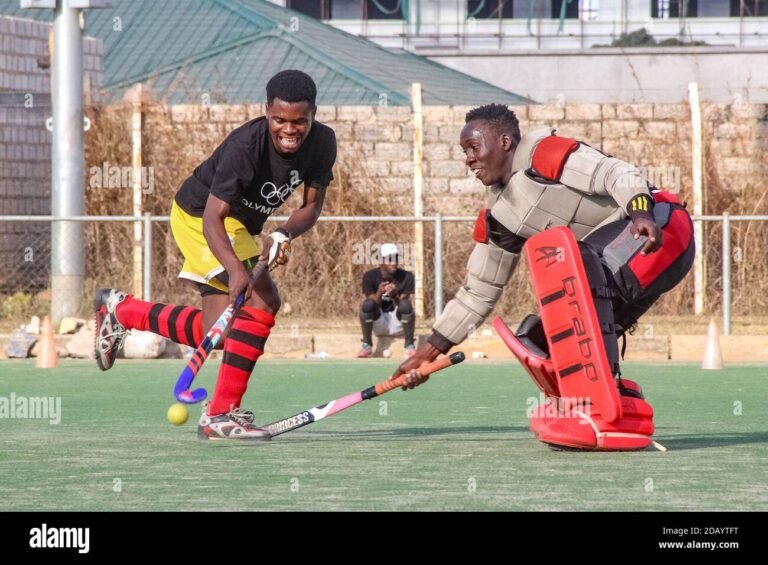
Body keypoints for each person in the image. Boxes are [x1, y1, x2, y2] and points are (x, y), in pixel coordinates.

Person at [391, 103, 694, 451]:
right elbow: (478, 292)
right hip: (619, 270)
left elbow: (617, 173)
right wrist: (427, 353)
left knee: (575, 270)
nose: (468, 159)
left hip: (661, 230)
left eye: (473, 147)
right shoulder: (499, 217)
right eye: (464, 152)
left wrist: (640, 212)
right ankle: (617, 409)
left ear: (505, 141)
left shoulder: (545, 153)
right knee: (542, 336)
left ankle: (597, 405)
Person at [94, 70, 336, 440]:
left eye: (299, 121)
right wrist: (236, 270)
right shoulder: (245, 146)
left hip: (239, 228)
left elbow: (312, 207)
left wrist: (283, 234)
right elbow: (212, 217)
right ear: (266, 112)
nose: (289, 130)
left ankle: (122, 310)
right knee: (263, 301)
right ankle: (221, 413)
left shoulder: (323, 142)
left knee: (218, 334)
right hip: (200, 217)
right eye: (280, 120)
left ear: (313, 115)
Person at [357, 243, 416, 358]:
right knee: (367, 304)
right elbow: (372, 304)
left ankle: (409, 345)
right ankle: (367, 345)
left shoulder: (407, 276)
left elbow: (403, 305)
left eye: (396, 258)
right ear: (380, 261)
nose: (393, 262)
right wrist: (379, 292)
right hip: (378, 321)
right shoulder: (369, 276)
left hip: (397, 322)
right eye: (389, 259)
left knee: (406, 304)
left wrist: (394, 295)